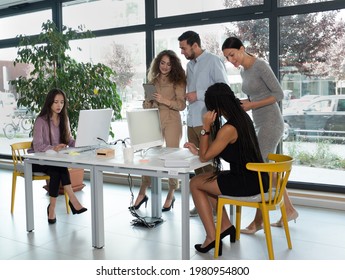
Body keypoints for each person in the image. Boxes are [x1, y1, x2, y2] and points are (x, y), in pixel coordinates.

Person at [221, 36, 299, 233]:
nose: (231, 60)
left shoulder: (260, 66)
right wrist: (243, 103)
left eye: (232, 55)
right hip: (259, 122)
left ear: (242, 48)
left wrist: (252, 105)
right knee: (268, 168)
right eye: (227, 58)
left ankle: (259, 221)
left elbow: (279, 94)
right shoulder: (244, 71)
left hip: (271, 122)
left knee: (261, 168)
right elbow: (254, 96)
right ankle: (288, 210)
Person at [184, 82, 268, 255]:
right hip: (256, 177)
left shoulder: (229, 128)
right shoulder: (242, 118)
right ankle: (225, 226)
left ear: (216, 107)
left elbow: (205, 158)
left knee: (195, 183)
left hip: (247, 181)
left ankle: (211, 237)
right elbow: (210, 153)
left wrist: (205, 128)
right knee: (206, 182)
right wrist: (198, 150)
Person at [178, 30, 229, 216]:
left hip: (207, 120)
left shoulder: (213, 61)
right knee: (197, 165)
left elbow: (223, 88)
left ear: (195, 45)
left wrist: (197, 94)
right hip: (191, 121)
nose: (182, 52)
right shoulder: (189, 66)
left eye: (184, 48)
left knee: (209, 166)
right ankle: (203, 203)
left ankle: (216, 209)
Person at [129, 50, 186, 211]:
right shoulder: (152, 81)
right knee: (150, 158)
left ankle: (171, 192)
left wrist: (165, 100)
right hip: (154, 121)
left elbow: (182, 105)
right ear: (158, 63)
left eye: (169, 64)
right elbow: (147, 106)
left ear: (173, 65)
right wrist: (147, 101)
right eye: (162, 63)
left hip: (172, 121)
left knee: (172, 159)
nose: (165, 67)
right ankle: (143, 191)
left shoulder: (178, 81)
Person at [30, 88, 87, 224]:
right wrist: (53, 148)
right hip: (38, 161)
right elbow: (37, 146)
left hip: (54, 162)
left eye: (61, 102)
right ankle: (72, 199)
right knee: (59, 168)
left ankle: (52, 209)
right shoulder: (41, 120)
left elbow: (68, 139)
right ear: (50, 102)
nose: (59, 105)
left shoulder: (63, 119)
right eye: (56, 102)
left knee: (57, 170)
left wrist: (82, 142)